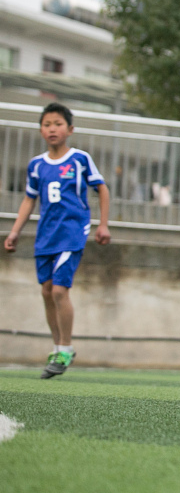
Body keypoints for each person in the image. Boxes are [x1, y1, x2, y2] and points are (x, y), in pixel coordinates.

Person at [4, 102, 111, 379]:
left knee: (60, 291)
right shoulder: (37, 165)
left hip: (72, 233)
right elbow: (30, 199)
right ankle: (57, 347)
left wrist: (103, 225)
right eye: (47, 124)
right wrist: (15, 231)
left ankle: (65, 348)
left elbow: (101, 189)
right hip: (46, 237)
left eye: (58, 124)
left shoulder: (80, 159)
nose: (52, 129)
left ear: (70, 129)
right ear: (41, 130)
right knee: (46, 291)